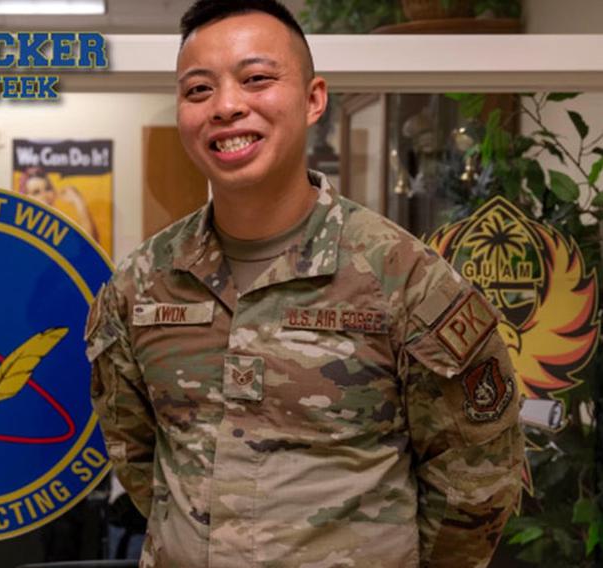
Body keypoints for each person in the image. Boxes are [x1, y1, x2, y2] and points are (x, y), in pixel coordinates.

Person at [85, 1, 524, 566]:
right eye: (198, 91)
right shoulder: (141, 285)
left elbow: (475, 479)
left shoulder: (404, 279)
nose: (226, 106)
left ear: (314, 98)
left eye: (257, 80)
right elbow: (141, 461)